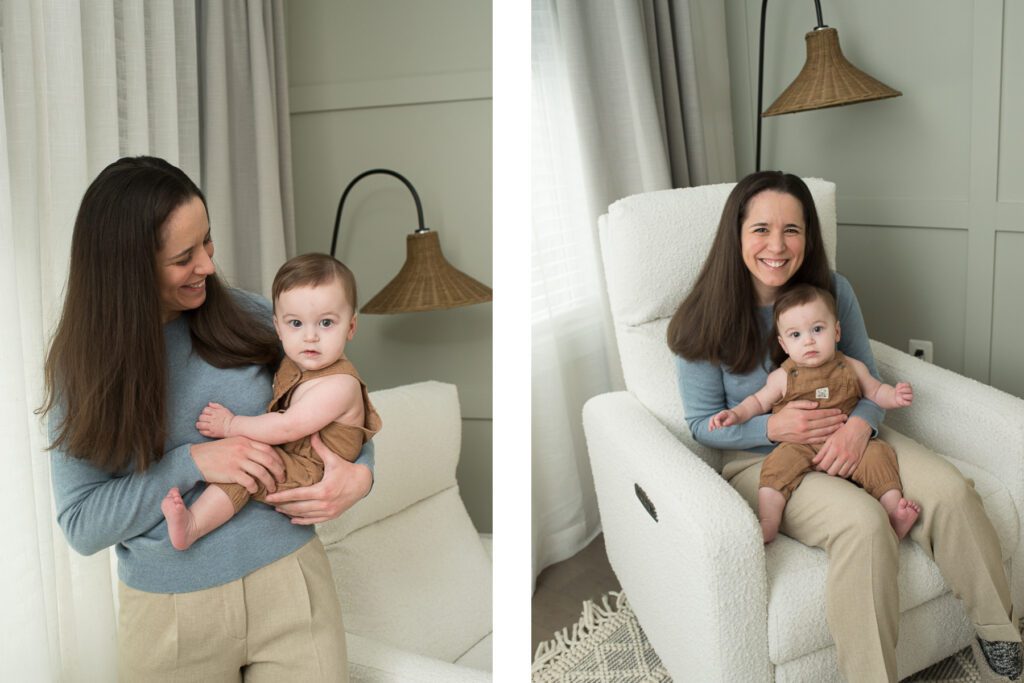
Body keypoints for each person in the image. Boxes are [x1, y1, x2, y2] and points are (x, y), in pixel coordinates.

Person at [669, 170, 1022, 682]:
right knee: (862, 524)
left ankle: (999, 636)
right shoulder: (700, 319)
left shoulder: (833, 292)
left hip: (855, 429)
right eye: (761, 229)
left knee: (950, 492)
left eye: (792, 229)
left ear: (808, 236)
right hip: (766, 461)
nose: (777, 245)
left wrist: (858, 427)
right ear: (736, 234)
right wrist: (773, 427)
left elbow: (867, 378)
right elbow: (703, 425)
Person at [41, 156, 372, 681]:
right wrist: (193, 460)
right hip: (171, 619)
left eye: (207, 241)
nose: (209, 266)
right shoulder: (80, 371)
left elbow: (336, 394)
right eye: (183, 257)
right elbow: (82, 526)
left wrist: (361, 474)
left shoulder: (253, 318)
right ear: (127, 266)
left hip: (293, 586)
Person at [161, 253, 382, 551]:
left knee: (245, 470)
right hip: (293, 456)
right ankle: (192, 523)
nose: (310, 337)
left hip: (311, 470)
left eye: (326, 323)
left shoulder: (339, 385)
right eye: (296, 324)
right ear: (277, 328)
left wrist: (230, 425)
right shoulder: (297, 361)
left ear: (351, 327)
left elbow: (288, 426)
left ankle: (194, 525)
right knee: (246, 463)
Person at [709, 284, 920, 543]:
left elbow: (875, 392)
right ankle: (768, 520)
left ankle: (894, 513)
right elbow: (757, 402)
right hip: (799, 445)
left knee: (880, 457)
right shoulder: (782, 377)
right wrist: (736, 415)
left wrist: (894, 396)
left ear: (837, 331)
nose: (808, 340)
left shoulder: (852, 367)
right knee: (776, 467)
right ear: (783, 344)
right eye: (795, 335)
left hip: (850, 442)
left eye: (817, 329)